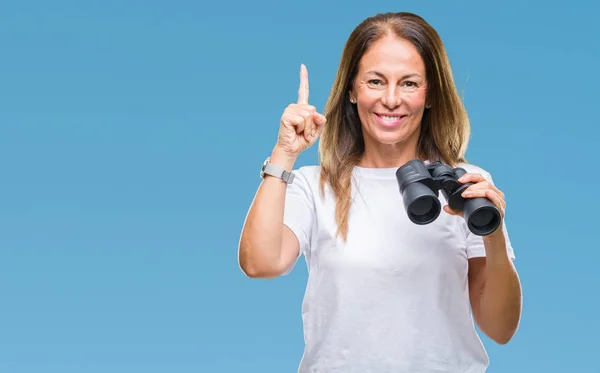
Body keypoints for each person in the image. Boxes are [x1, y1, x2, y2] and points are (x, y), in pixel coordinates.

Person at [238, 11, 522, 373]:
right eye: (375, 81)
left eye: (408, 83)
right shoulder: (315, 185)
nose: (391, 99)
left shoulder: (466, 184)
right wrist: (285, 153)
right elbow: (260, 263)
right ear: (352, 91)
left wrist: (493, 232)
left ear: (430, 94)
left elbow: (500, 329)